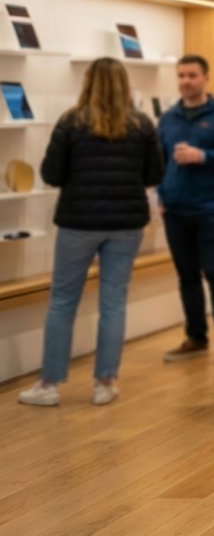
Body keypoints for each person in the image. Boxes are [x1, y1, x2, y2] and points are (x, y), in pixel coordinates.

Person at [19, 58, 162, 407]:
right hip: (127, 223)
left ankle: (49, 384)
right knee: (113, 302)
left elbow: (51, 174)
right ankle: (104, 382)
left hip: (78, 222)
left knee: (63, 302)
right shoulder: (142, 124)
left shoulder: (71, 122)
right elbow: (154, 173)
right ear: (125, 85)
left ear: (87, 83)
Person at [157, 54, 214, 367]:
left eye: (192, 75)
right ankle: (196, 338)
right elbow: (158, 163)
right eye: (181, 76)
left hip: (212, 208)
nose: (186, 81)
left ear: (205, 77)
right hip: (175, 209)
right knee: (187, 276)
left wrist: (203, 156)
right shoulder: (168, 119)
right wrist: (160, 195)